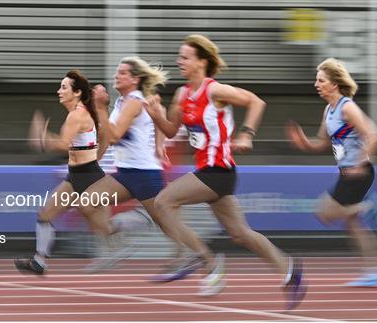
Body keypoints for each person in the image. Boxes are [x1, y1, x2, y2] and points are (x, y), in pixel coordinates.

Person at [143, 34, 306, 308]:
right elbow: (171, 130)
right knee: (241, 234)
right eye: (179, 57)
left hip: (217, 171)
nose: (178, 61)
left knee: (162, 202)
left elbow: (256, 102)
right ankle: (290, 270)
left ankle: (204, 259)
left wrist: (246, 134)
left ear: (201, 62)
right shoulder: (183, 94)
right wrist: (156, 114)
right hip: (207, 171)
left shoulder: (214, 91)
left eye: (185, 57)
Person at [80, 56, 222, 283]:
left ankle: (209, 260)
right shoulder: (120, 103)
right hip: (125, 173)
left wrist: (99, 107)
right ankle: (118, 244)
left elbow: (116, 134)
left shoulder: (135, 102)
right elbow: (108, 136)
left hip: (145, 174)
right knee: (87, 201)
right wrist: (93, 161)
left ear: (135, 79)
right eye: (117, 72)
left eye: (123, 72)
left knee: (170, 225)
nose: (117, 76)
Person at [286, 57, 377, 287]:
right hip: (347, 173)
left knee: (324, 213)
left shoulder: (347, 107)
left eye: (321, 80)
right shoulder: (329, 110)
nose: (316, 84)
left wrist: (360, 163)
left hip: (359, 174)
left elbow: (374, 134)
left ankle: (371, 205)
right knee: (352, 224)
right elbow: (321, 142)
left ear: (334, 84)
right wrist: (304, 142)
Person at [14, 70, 113, 274]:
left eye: (64, 87)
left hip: (88, 177)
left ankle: (141, 220)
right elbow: (98, 139)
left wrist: (42, 138)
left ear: (76, 93)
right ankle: (39, 262)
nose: (59, 91)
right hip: (76, 176)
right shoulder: (81, 113)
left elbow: (62, 144)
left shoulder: (77, 115)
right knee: (45, 215)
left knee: (106, 227)